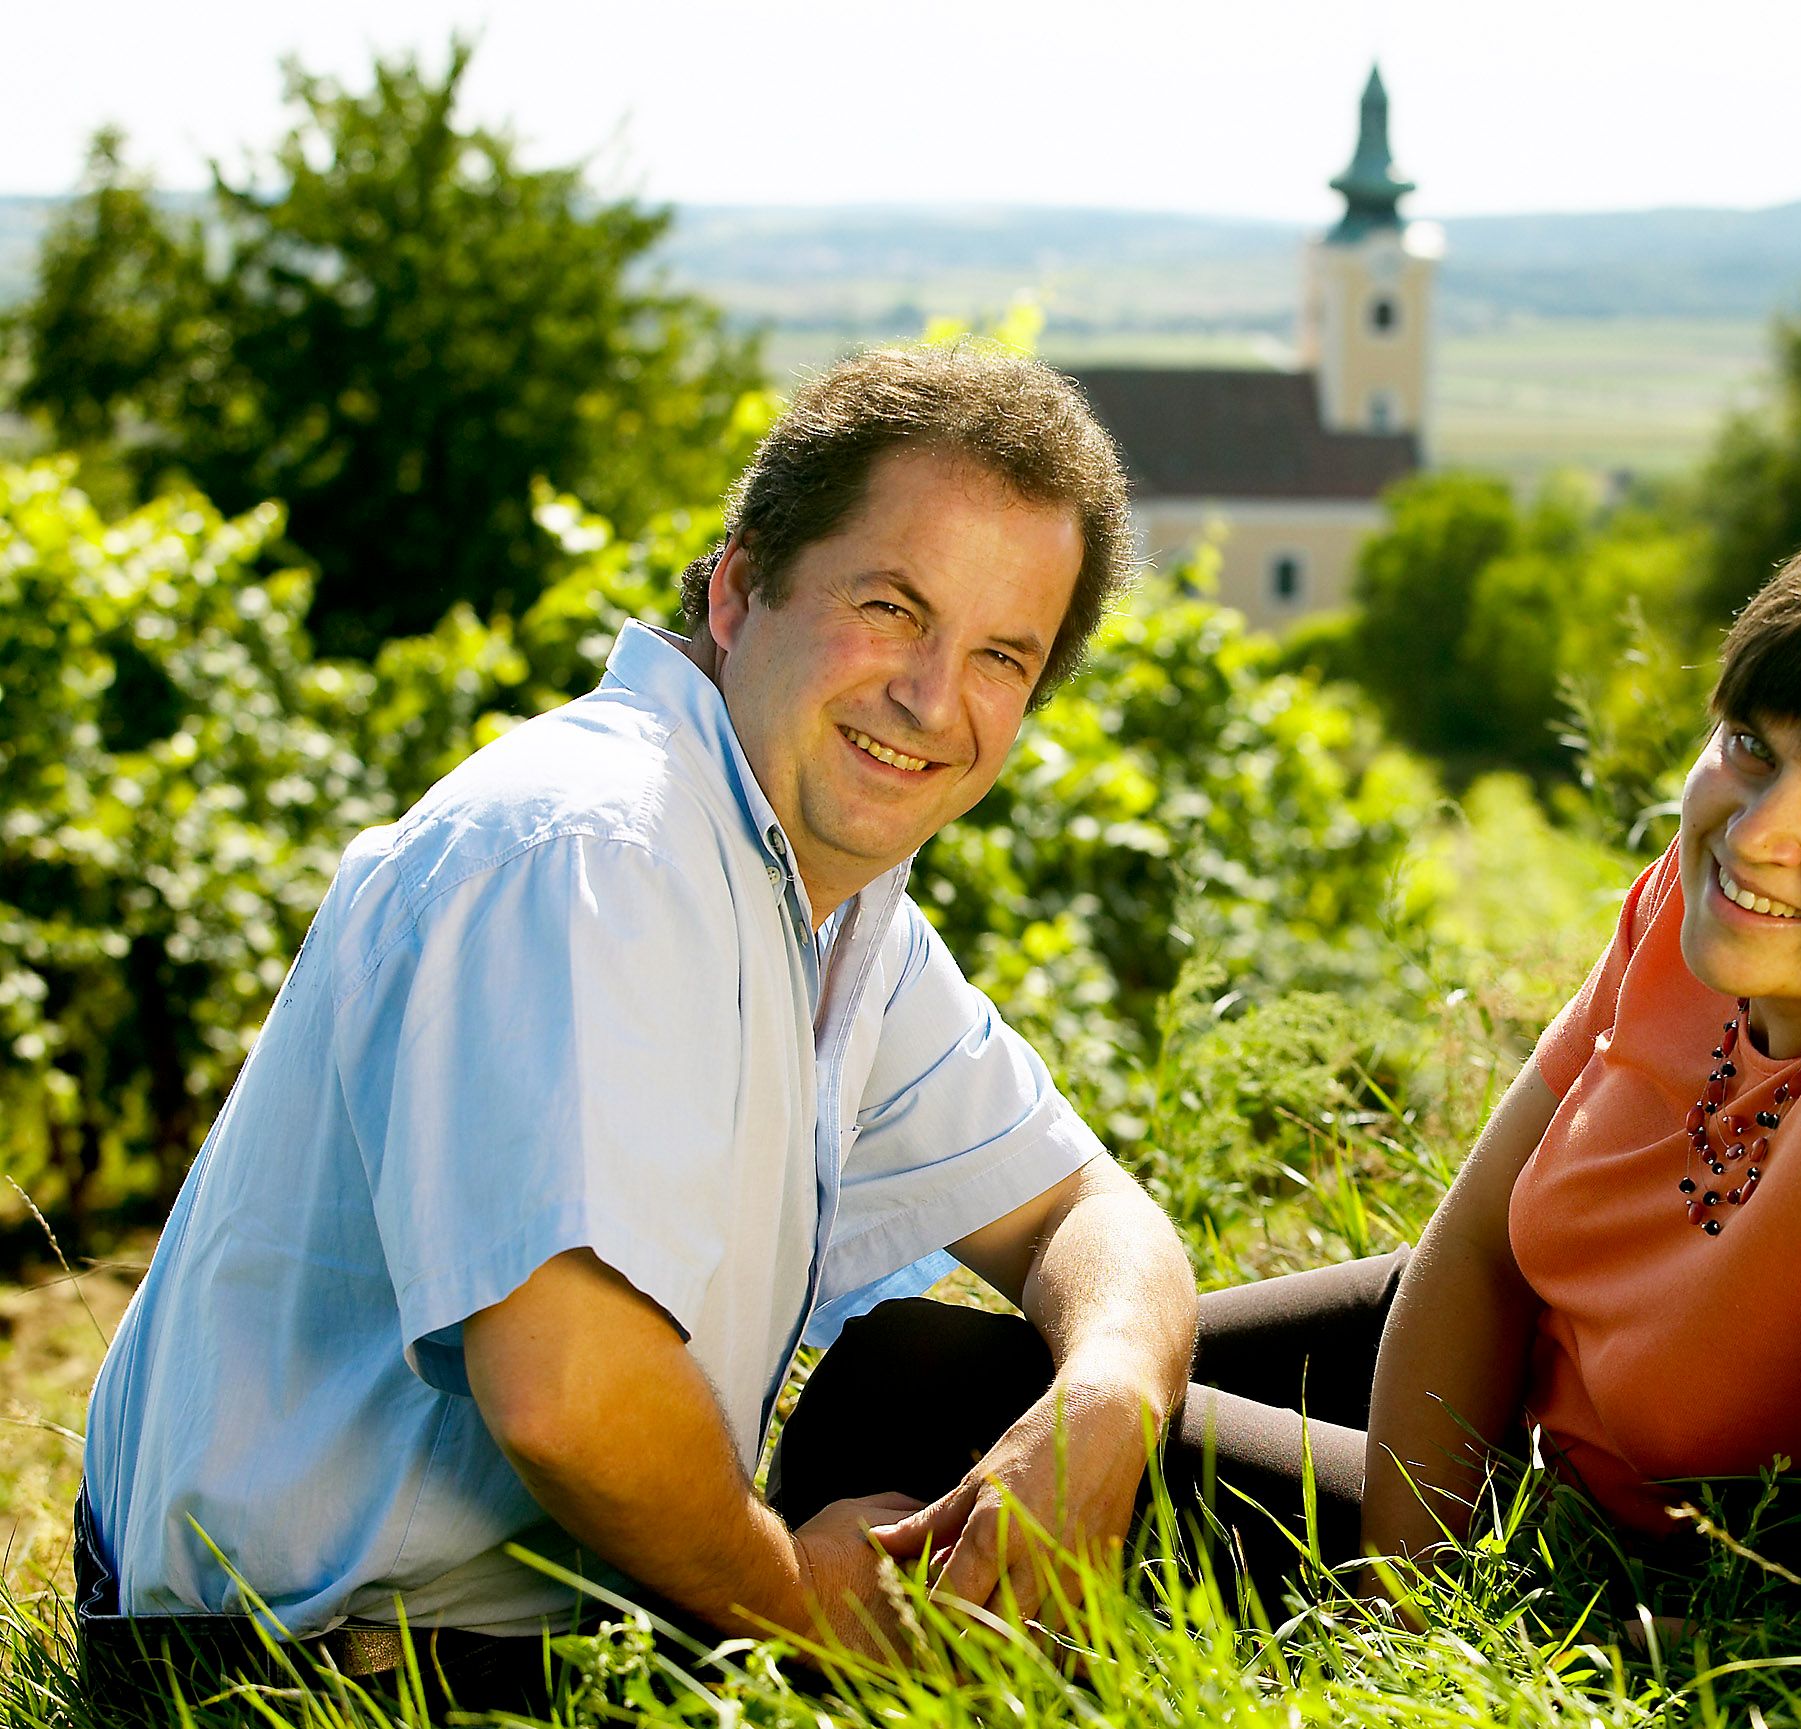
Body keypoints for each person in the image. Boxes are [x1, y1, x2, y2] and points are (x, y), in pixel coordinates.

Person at [75, 345, 1198, 1707]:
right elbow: (567, 1388)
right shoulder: (591, 847)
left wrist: (1111, 1396)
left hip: (505, 1638)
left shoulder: (829, 903)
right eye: (892, 607)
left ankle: (1457, 1481)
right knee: (1275, 1472)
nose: (931, 695)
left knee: (1052, 1385)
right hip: (318, 1686)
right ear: (738, 587)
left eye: (999, 655)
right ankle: (1452, 1521)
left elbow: (1083, 1208)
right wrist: (802, 1607)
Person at [862, 500, 1801, 1602]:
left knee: (915, 1412)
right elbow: (1479, 1243)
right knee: (925, 1375)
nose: (1756, 834)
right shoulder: (1703, 915)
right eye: (1753, 748)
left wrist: (1417, 1623)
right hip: (1525, 1374)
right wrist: (1403, 1576)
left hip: (1589, 1542)